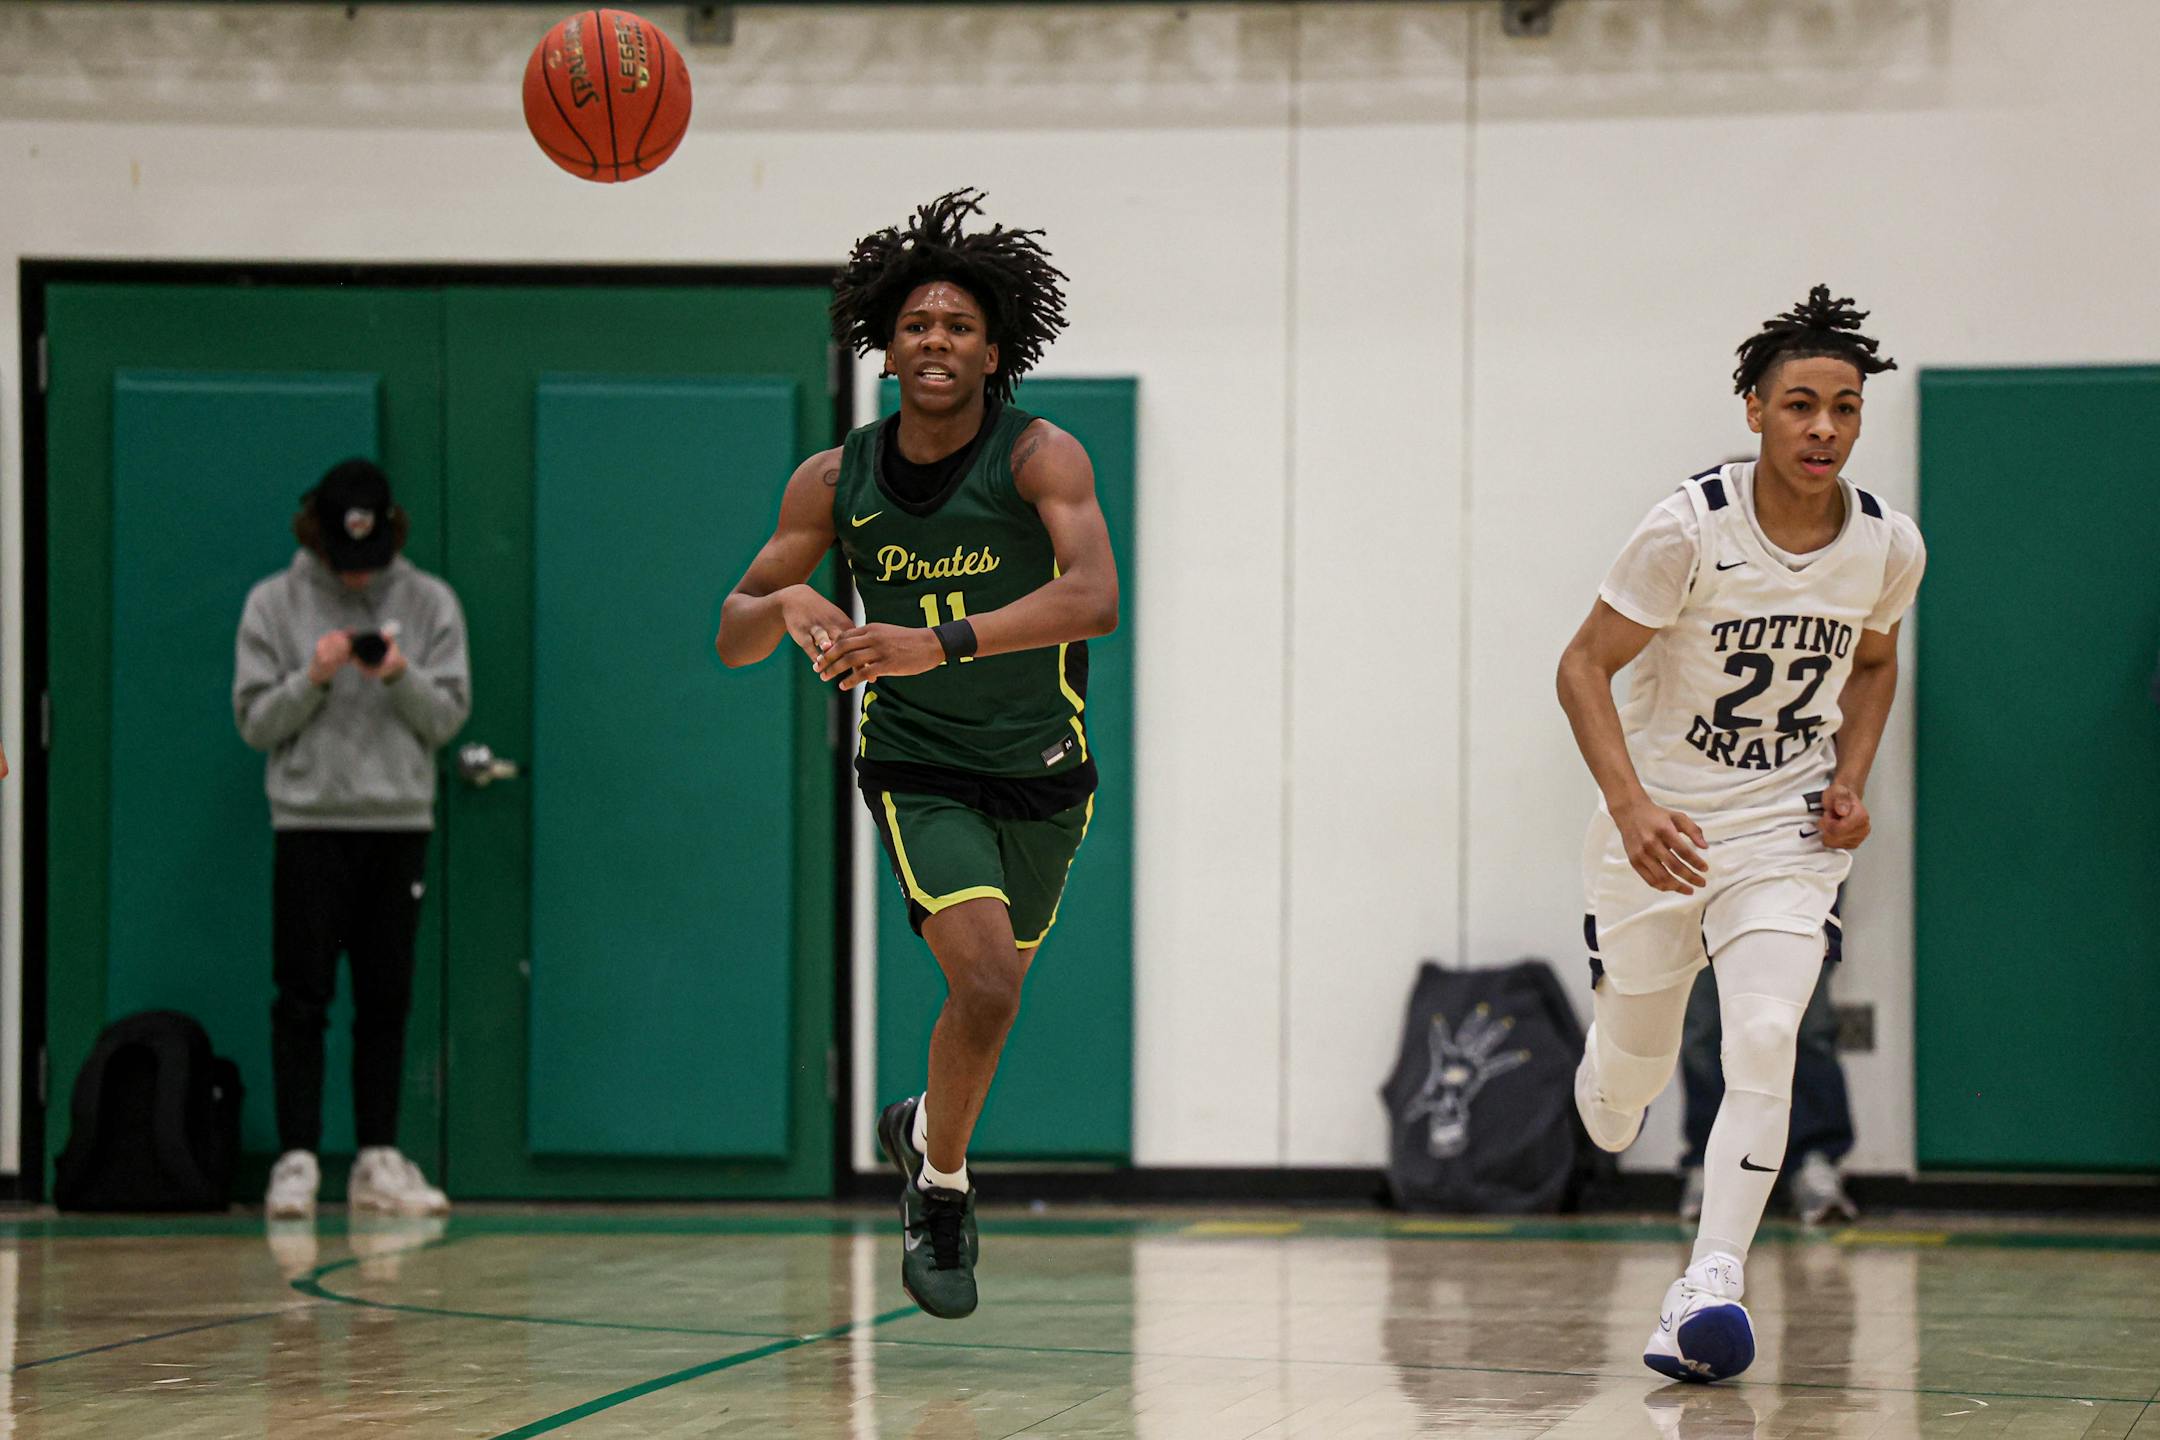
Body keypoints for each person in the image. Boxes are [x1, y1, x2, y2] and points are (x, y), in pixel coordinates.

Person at [717, 190, 1118, 1319]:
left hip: (1044, 767)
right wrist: (791, 595)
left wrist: (930, 641)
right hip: (916, 765)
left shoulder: (1041, 455)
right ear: (883, 350)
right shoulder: (829, 481)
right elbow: (733, 635)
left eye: (955, 326)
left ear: (995, 351)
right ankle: (942, 1188)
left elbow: (1095, 600)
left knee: (992, 1006)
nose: (933, 340)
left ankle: (920, 1126)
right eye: (914, 327)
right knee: (983, 980)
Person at [1556, 287, 1925, 1383]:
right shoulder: (1687, 529)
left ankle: (1710, 1280)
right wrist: (1630, 809)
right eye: (1801, 405)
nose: (1824, 428)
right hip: (1663, 832)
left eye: (1845, 408)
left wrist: (1851, 778)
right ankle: (1613, 1059)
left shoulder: (1887, 544)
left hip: (1785, 833)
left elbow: (1873, 661)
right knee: (1624, 1102)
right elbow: (1582, 667)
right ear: (1755, 410)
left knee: (1767, 1030)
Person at [234, 457, 469, 1221]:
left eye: (372, 562)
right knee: (301, 994)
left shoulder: (431, 603)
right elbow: (255, 723)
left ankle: (377, 1158)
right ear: (319, 540)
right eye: (346, 562)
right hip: (309, 823)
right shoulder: (273, 603)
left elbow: (447, 720)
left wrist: (399, 674)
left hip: (397, 823)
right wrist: (314, 676)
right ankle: (297, 1159)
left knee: (387, 996)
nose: (361, 579)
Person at [1676, 911, 1857, 1227]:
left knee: (1806, 1024)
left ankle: (1813, 1159)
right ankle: (1713, 1165)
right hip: (1704, 874)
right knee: (1703, 1026)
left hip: (1795, 870)